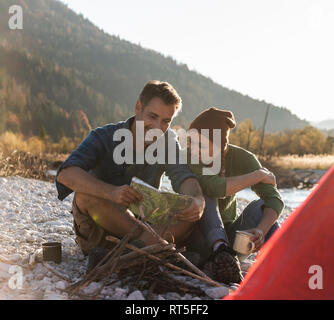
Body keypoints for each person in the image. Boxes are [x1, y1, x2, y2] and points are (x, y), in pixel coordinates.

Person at [55, 80, 205, 270]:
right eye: (153, 116)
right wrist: (111, 192)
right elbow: (66, 174)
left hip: (144, 223)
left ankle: (129, 255)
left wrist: (198, 200)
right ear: (138, 107)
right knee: (84, 196)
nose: (158, 127)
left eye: (166, 121)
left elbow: (184, 177)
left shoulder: (168, 142)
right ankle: (149, 249)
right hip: (101, 229)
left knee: (191, 211)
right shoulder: (103, 136)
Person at [182, 107, 284, 284]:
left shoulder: (244, 159)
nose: (195, 149)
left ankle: (280, 265)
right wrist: (256, 175)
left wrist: (261, 230)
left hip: (232, 242)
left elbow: (274, 199)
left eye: (202, 145)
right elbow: (212, 187)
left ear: (223, 145)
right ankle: (217, 252)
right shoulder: (191, 157)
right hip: (196, 237)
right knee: (203, 194)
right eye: (192, 142)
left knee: (263, 209)